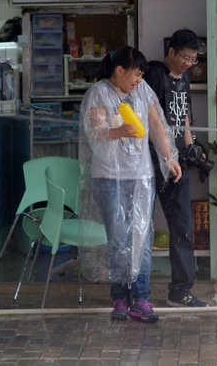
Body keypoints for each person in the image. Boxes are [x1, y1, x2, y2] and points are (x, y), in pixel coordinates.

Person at [80, 46, 182, 323]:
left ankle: (141, 299)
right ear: (119, 70)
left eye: (141, 75)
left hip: (141, 177)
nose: (138, 79)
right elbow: (96, 131)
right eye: (136, 74)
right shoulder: (99, 92)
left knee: (142, 237)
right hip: (109, 178)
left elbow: (158, 126)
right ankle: (120, 299)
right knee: (120, 239)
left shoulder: (143, 91)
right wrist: (119, 131)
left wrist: (169, 157)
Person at [142, 29, 209, 308]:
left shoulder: (186, 77)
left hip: (176, 162)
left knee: (182, 226)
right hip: (149, 160)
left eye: (193, 59)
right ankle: (135, 294)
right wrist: (166, 154)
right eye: (185, 57)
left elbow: (185, 118)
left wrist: (191, 148)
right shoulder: (155, 74)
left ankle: (180, 290)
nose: (188, 63)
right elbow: (148, 115)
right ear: (171, 51)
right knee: (140, 225)